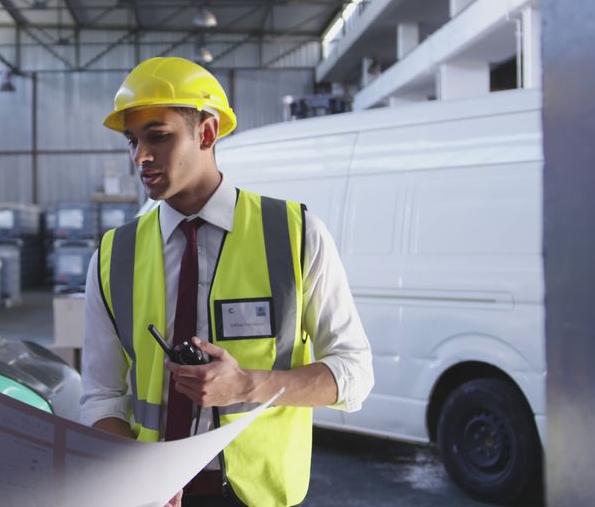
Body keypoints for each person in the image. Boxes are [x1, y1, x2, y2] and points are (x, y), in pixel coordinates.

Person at [80, 57, 374, 507]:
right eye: (132, 140)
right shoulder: (113, 255)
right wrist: (135, 469)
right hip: (151, 496)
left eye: (158, 136)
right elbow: (102, 395)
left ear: (207, 133)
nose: (139, 156)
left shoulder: (294, 233)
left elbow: (354, 375)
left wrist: (246, 385)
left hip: (259, 495)